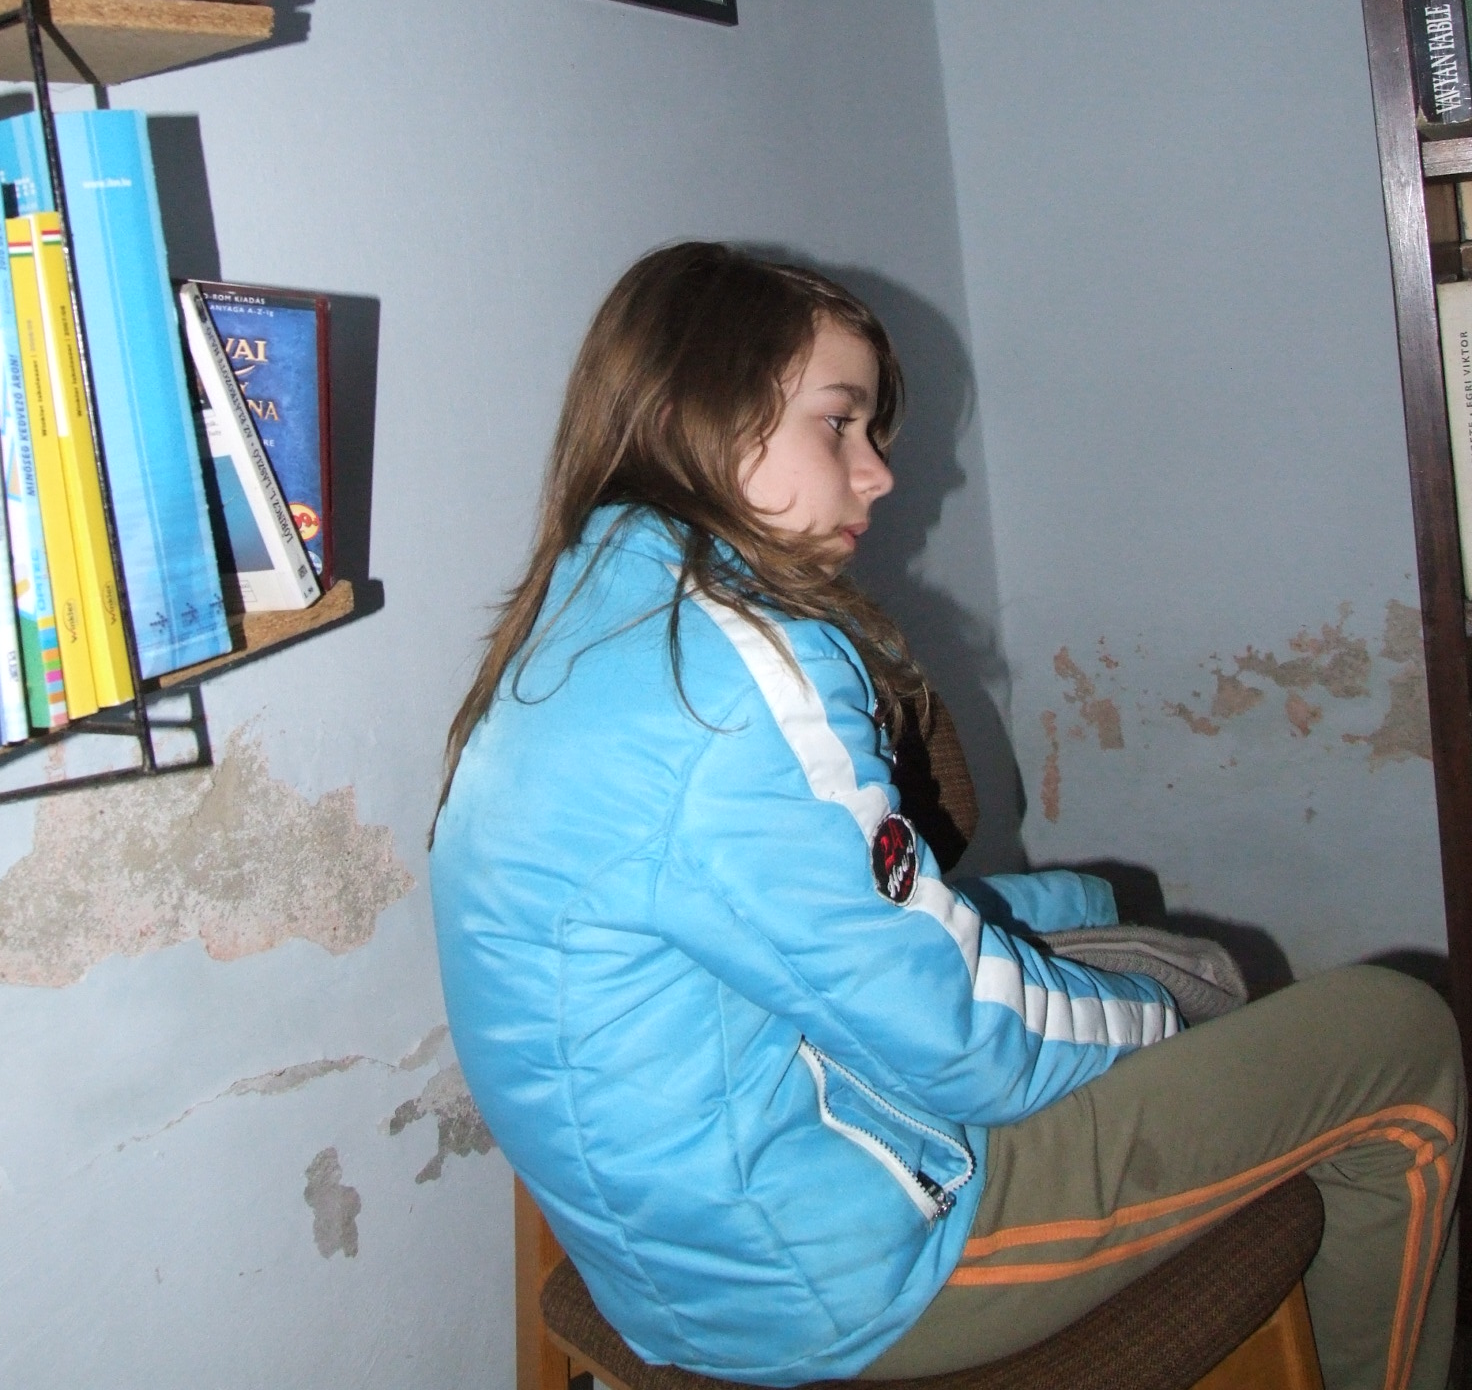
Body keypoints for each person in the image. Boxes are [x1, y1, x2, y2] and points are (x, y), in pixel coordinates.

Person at [430, 242, 1464, 1390]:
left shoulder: (585, 621)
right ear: (694, 415)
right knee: (1397, 1032)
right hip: (842, 1272)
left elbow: (814, 924)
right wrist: (1159, 1018)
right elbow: (960, 1037)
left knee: (1123, 928)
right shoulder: (743, 668)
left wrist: (1080, 916)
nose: (877, 473)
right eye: (839, 422)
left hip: (684, 1257)